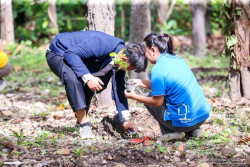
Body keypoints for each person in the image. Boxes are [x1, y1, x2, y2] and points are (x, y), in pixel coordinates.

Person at [46, 30, 147, 139]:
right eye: (130, 68)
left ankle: (79, 121)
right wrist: (88, 77)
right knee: (74, 78)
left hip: (76, 56)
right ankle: (84, 125)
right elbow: (70, 53)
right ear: (124, 59)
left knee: (94, 81)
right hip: (59, 52)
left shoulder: (120, 58)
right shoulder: (102, 43)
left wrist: (126, 119)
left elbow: (119, 90)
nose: (128, 71)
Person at [125, 33, 210, 141]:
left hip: (184, 123)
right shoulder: (177, 58)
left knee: (150, 97)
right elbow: (167, 85)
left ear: (152, 49)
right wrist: (139, 82)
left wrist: (133, 96)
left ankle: (172, 133)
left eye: (145, 52)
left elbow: (157, 102)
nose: (145, 56)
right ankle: (194, 130)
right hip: (200, 117)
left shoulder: (157, 70)